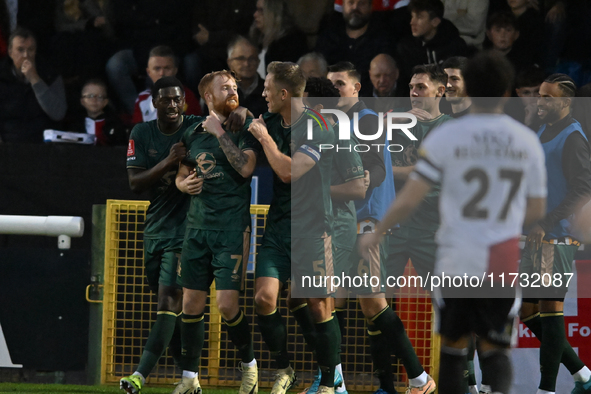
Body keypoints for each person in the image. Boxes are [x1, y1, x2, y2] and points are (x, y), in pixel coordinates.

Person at [360, 50, 548, 394]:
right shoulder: (526, 141)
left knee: (452, 349)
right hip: (500, 256)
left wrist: (380, 231)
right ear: (507, 93)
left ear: (468, 89)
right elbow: (536, 209)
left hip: (457, 252)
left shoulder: (448, 137)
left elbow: (410, 196)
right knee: (494, 349)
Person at [326, 61, 436, 394]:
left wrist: (363, 188)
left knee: (372, 303)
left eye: (340, 84)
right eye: (330, 86)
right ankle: (334, 382)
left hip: (366, 222)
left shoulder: (368, 120)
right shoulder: (336, 122)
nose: (335, 92)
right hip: (343, 223)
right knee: (335, 301)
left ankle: (420, 379)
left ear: (357, 87)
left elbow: (377, 170)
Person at [248, 61, 340, 394]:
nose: (263, 94)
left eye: (268, 89)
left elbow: (289, 172)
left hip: (313, 228)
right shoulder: (270, 120)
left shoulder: (318, 125)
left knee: (317, 304)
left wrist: (265, 140)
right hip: (278, 228)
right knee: (263, 298)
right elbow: (245, 123)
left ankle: (330, 384)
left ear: (284, 93)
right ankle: (285, 368)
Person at [174, 70, 259, 394]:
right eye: (225, 88)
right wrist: (183, 184)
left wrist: (221, 132)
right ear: (208, 96)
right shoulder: (193, 131)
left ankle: (249, 367)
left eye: (235, 87)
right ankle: (189, 379)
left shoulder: (244, 128)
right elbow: (183, 171)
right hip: (196, 229)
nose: (233, 91)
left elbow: (246, 168)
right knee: (191, 305)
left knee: (226, 305)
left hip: (231, 229)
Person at [289, 76, 369, 394]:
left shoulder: (336, 133)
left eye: (302, 102)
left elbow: (357, 187)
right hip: (309, 226)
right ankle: (329, 374)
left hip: (333, 228)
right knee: (299, 298)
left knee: (324, 303)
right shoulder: (301, 131)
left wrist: (312, 189)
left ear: (316, 106)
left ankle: (334, 381)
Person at [121, 76, 195, 394]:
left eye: (177, 99)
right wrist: (169, 161)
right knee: (168, 308)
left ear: (184, 102)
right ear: (155, 103)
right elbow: (135, 183)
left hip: (185, 230)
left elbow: (224, 122)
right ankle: (189, 380)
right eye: (165, 99)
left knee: (170, 298)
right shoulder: (142, 133)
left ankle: (140, 375)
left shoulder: (195, 127)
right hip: (155, 229)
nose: (173, 104)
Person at [519, 73, 591, 394]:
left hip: (557, 236)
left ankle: (546, 389)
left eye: (547, 97)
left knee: (550, 311)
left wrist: (546, 222)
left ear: (565, 102)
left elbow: (583, 190)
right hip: (534, 236)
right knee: (527, 311)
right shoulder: (541, 130)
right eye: (539, 95)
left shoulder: (574, 138)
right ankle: (584, 376)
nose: (540, 101)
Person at [315, 0, 396, 97]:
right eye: (351, 2)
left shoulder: (383, 40)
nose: (355, 8)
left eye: (362, 3)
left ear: (370, 7)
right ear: (343, 6)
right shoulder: (329, 37)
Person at [0, 27, 66, 143]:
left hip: (42, 143)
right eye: (20, 50)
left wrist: (35, 79)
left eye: (30, 49)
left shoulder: (50, 74)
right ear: (10, 52)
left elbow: (58, 113)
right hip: (9, 142)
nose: (26, 55)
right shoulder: (2, 75)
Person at [397, 0, 468, 90]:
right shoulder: (406, 47)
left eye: (419, 17)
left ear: (435, 22)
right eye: (412, 17)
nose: (412, 22)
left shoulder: (455, 46)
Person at [132, 45, 200, 125]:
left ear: (175, 70)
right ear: (149, 72)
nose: (162, 73)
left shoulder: (188, 97)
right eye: (157, 69)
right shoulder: (142, 100)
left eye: (167, 68)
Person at [249, 0, 308, 78]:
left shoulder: (291, 43)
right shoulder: (256, 40)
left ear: (274, 13)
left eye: (262, 11)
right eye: (256, 10)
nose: (255, 14)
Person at [69, 78, 127, 146]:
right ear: (82, 101)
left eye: (99, 97)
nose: (94, 100)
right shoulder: (76, 123)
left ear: (105, 102)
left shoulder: (115, 123)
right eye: (90, 96)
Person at [227, 36, 268, 118]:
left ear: (258, 62)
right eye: (241, 59)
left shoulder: (270, 91)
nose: (246, 64)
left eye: (252, 59)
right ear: (229, 62)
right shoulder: (218, 92)